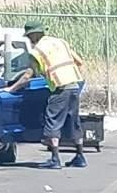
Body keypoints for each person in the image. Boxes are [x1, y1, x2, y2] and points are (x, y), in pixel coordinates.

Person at [8, 22, 88, 167]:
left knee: (53, 122)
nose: (29, 40)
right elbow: (79, 62)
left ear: (32, 35)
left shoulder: (37, 51)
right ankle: (80, 157)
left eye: (29, 37)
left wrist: (11, 89)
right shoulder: (61, 42)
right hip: (74, 85)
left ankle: (55, 159)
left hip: (60, 88)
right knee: (73, 122)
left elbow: (27, 75)